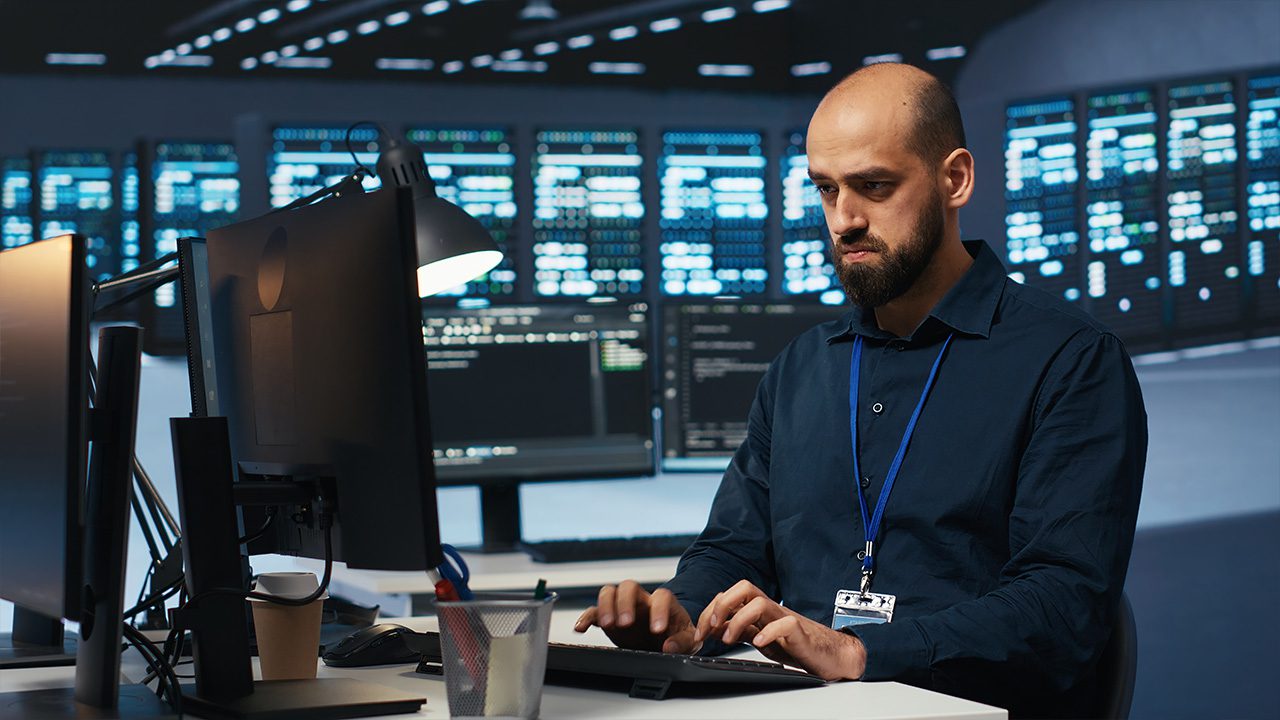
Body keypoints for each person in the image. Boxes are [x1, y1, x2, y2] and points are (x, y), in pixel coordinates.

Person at [573, 62, 1148, 718]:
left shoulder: (1069, 360)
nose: (843, 220)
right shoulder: (799, 369)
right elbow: (734, 547)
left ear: (954, 179)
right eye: (825, 189)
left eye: (874, 186)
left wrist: (859, 652)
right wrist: (681, 614)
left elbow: (1063, 608)